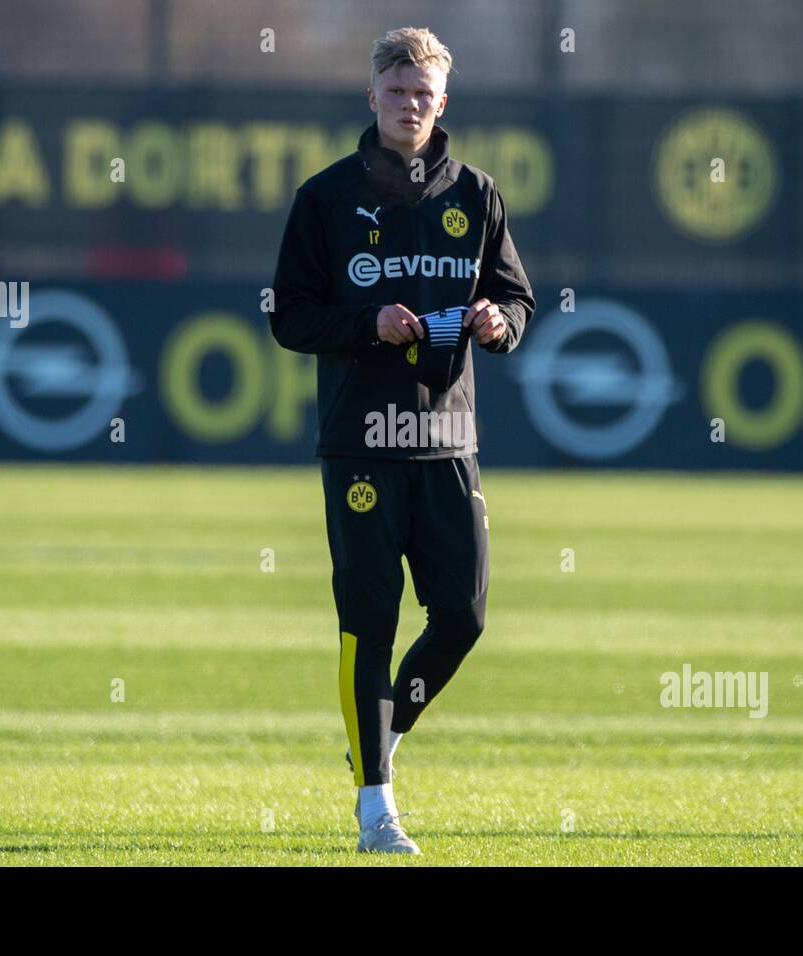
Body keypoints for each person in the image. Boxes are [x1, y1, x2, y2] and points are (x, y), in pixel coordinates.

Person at [269, 26, 534, 855]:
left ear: (443, 103)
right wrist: (365, 323)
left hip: (449, 443)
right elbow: (290, 315)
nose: (410, 106)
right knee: (369, 624)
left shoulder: (477, 195)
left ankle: (380, 736)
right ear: (372, 96)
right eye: (397, 92)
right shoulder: (326, 198)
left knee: (463, 616)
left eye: (424, 94)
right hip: (363, 445)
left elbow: (518, 301)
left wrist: (499, 323)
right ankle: (375, 808)